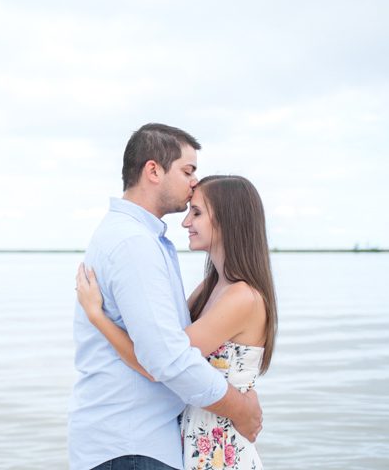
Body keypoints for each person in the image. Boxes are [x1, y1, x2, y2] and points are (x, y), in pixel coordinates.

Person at [68, 123, 263, 470]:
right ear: (153, 170)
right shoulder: (134, 244)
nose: (193, 183)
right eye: (188, 170)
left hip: (142, 443)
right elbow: (166, 358)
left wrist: (99, 318)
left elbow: (166, 351)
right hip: (131, 446)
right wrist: (242, 408)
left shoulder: (145, 241)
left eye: (199, 212)